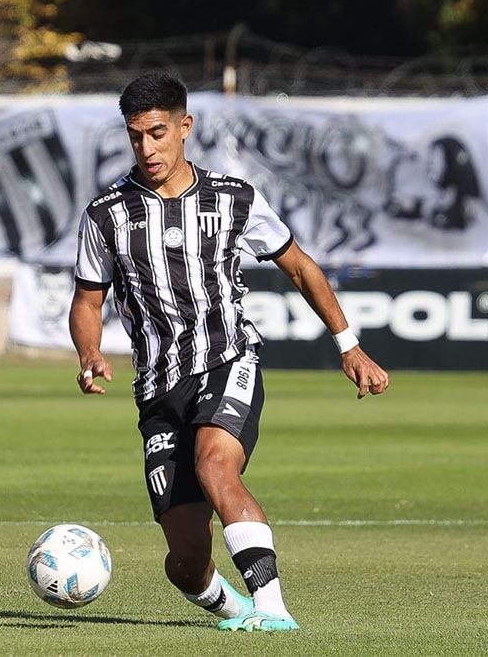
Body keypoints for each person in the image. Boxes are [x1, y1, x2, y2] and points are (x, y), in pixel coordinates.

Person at [69, 73, 389, 632]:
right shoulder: (106, 215)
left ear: (184, 128)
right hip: (157, 389)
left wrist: (349, 345)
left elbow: (299, 265)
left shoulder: (232, 198)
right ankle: (234, 608)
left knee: (216, 466)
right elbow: (88, 300)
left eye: (157, 133)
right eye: (135, 136)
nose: (147, 148)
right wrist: (90, 351)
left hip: (227, 360)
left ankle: (272, 608)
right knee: (186, 562)